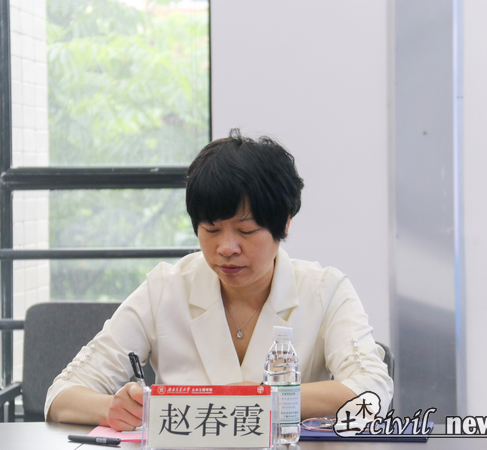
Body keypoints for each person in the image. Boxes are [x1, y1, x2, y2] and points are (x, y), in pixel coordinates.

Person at [45, 129, 393, 430]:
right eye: (211, 230)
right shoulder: (165, 288)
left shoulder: (325, 290)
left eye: (246, 231)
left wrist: (266, 399)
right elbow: (61, 395)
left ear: (284, 222)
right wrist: (113, 408)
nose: (226, 248)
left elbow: (372, 390)